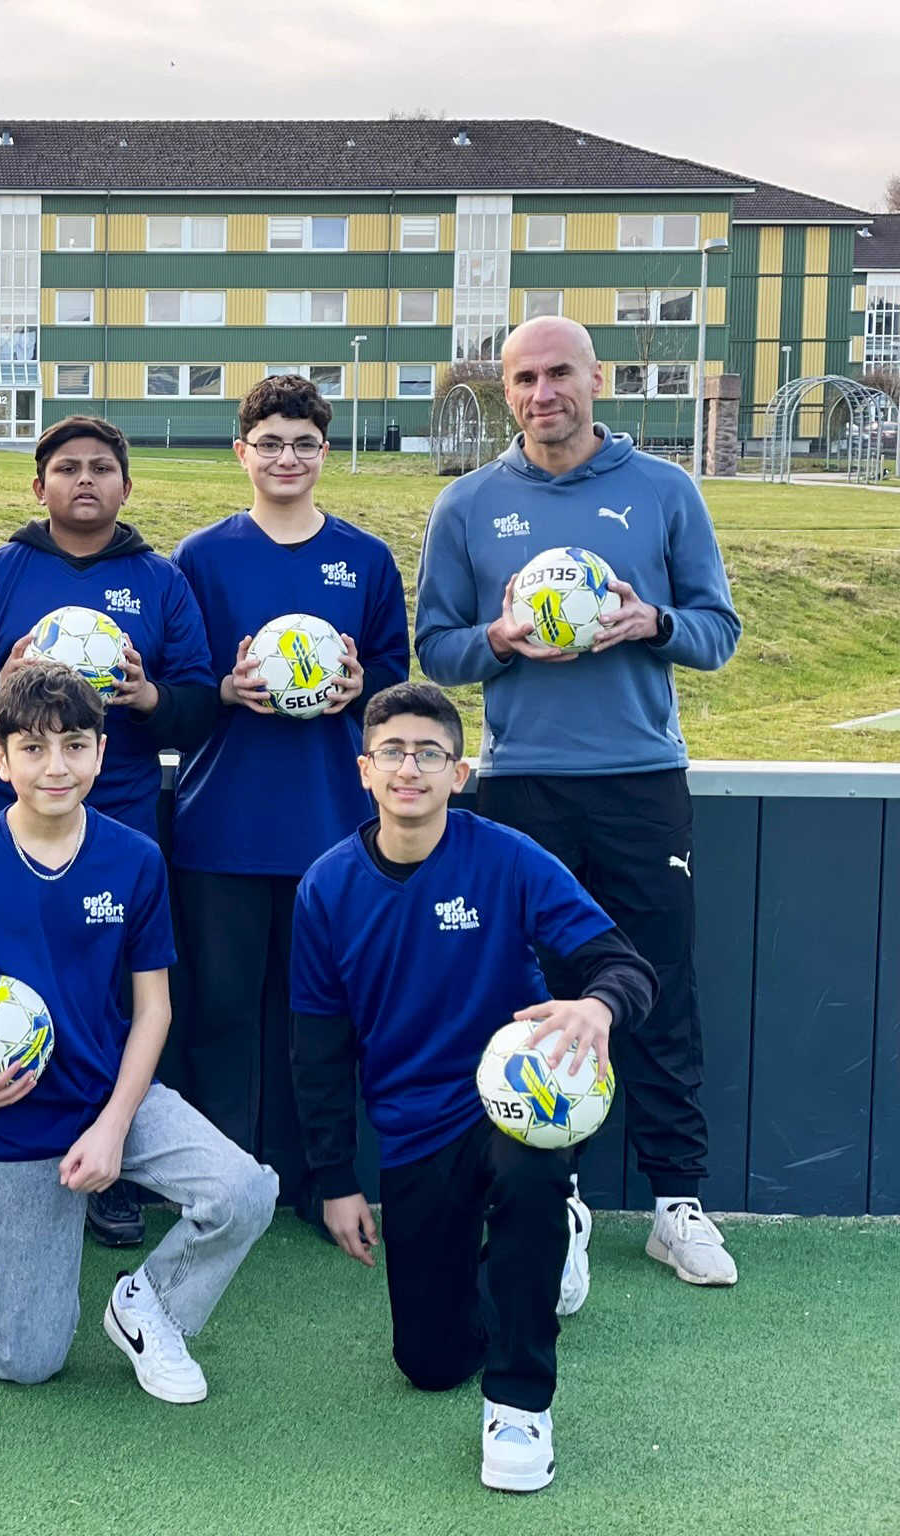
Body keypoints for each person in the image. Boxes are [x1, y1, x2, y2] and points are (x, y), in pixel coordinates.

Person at [414, 315, 742, 1287]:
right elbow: (435, 648)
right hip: (522, 784)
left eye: (559, 373)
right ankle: (551, 1202)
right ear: (505, 391)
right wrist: (499, 640)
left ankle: (676, 1202)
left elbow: (717, 632)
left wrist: (650, 623)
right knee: (531, 994)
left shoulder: (664, 490)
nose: (541, 393)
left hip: (639, 779)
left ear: (597, 380)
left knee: (659, 985)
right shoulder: (467, 505)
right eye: (522, 378)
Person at [289, 681, 657, 1492]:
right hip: (413, 1131)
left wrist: (597, 1006)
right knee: (430, 1363)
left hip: (511, 1106)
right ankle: (546, 1245)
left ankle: (520, 1406)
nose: (409, 768)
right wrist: (335, 1180)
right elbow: (318, 1050)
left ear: (459, 774)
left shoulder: (507, 858)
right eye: (392, 751)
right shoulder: (326, 888)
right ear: (364, 769)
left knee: (529, 1172)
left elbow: (624, 965)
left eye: (430, 754)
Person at [0, 664, 276, 1401]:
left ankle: (148, 1307)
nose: (55, 766)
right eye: (32, 748)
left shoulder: (135, 859)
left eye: (74, 745)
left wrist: (115, 1127)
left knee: (245, 1191)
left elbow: (153, 1009)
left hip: (113, 1095)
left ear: (101, 752)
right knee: (27, 1361)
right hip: (13, 1118)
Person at [0, 413, 217, 1246]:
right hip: (3, 811)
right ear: (39, 485)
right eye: (65, 467)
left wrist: (148, 696)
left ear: (127, 486)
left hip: (118, 813)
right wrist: (4, 682)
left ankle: (110, 1168)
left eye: (100, 467)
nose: (83, 479)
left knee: (115, 992)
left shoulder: (160, 581)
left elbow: (199, 707)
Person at [168, 375, 408, 1224]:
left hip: (331, 826)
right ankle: (223, 1189)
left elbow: (394, 682)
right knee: (222, 1013)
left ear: (324, 453)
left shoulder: (365, 558)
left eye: (303, 443)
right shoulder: (200, 557)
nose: (287, 458)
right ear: (242, 453)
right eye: (269, 443)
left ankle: (316, 1182)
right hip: (222, 824)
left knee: (317, 1016)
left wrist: (359, 686)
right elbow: (178, 683)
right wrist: (223, 689)